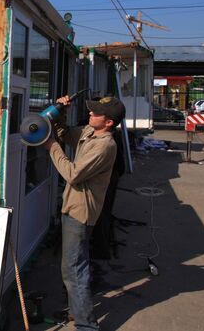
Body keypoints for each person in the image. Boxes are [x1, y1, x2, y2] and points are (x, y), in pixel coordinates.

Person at [41, 95, 126, 331]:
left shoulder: (104, 146)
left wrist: (51, 147)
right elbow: (67, 133)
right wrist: (60, 111)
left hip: (81, 212)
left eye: (96, 112)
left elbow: (73, 173)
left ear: (108, 122)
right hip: (72, 205)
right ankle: (77, 311)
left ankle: (87, 326)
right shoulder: (90, 132)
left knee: (75, 270)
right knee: (71, 268)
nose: (90, 114)